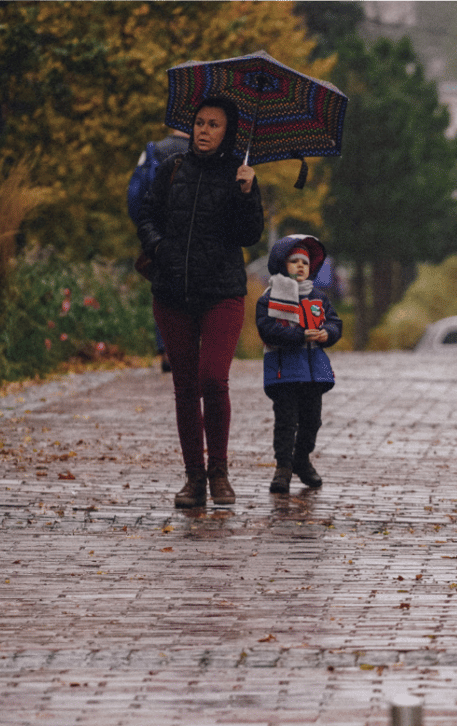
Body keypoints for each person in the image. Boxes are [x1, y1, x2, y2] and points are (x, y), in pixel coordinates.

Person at [136, 97, 264, 508]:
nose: (204, 130)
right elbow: (146, 216)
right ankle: (193, 478)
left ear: (229, 133)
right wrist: (159, 249)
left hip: (221, 293)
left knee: (213, 379)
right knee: (185, 387)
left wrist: (246, 192)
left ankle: (219, 471)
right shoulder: (172, 168)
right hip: (172, 293)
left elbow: (249, 235)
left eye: (214, 125)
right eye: (199, 123)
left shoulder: (239, 175)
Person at [256, 235, 342, 494]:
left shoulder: (318, 297)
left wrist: (328, 333)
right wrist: (299, 335)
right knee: (286, 422)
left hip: (313, 372)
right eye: (294, 261)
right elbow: (267, 329)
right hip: (284, 373)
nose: (300, 266)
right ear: (282, 265)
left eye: (305, 262)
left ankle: (301, 459)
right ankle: (283, 467)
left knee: (311, 422)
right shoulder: (270, 298)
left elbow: (334, 322)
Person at [127, 129, 190, 373]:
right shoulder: (203, 152)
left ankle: (166, 350)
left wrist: (144, 227)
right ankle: (188, 347)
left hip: (159, 230)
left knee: (162, 288)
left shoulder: (154, 149)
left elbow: (135, 193)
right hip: (190, 230)